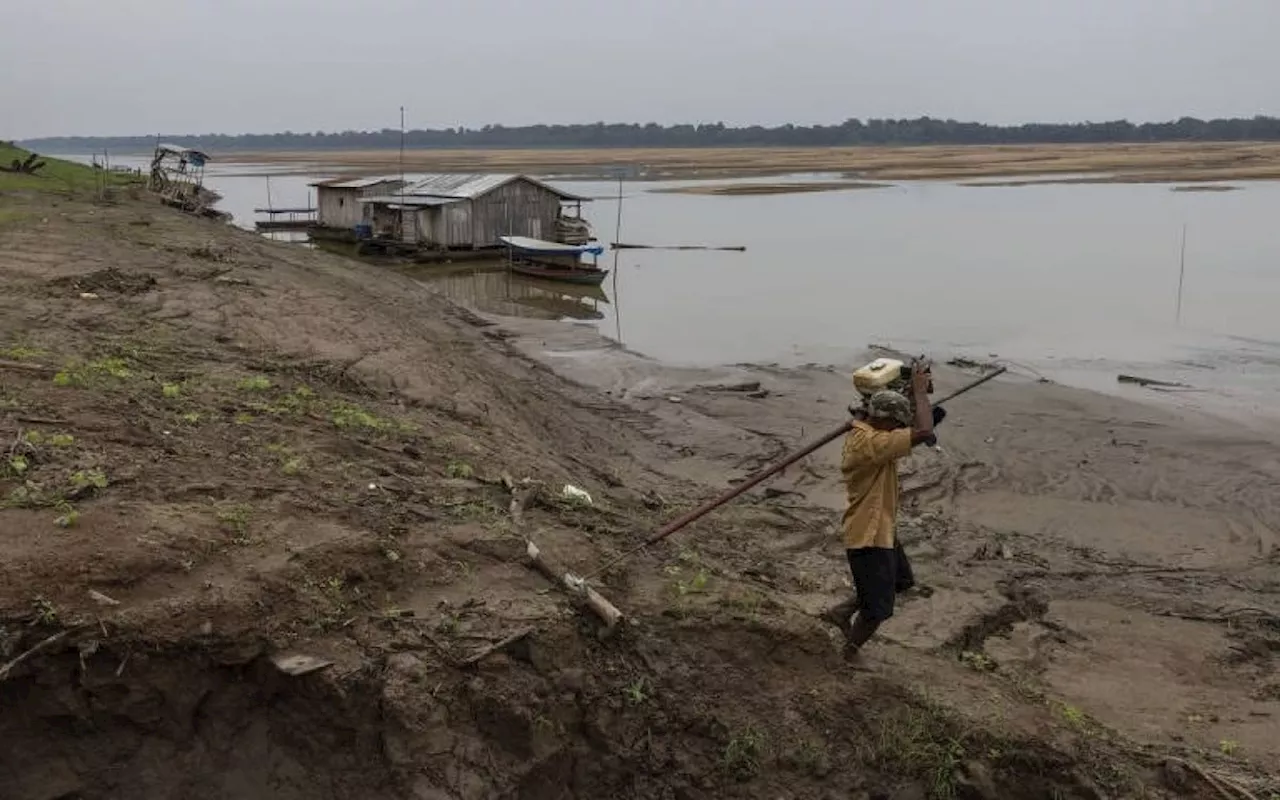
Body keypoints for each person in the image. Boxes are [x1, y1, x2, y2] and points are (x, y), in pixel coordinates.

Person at [821, 362, 936, 663]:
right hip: (869, 535)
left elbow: (907, 422)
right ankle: (849, 653)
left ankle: (841, 612)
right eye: (897, 425)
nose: (900, 430)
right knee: (878, 608)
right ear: (885, 423)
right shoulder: (873, 444)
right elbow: (924, 430)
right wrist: (921, 392)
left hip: (881, 528)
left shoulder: (867, 429)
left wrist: (911, 392)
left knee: (899, 581)